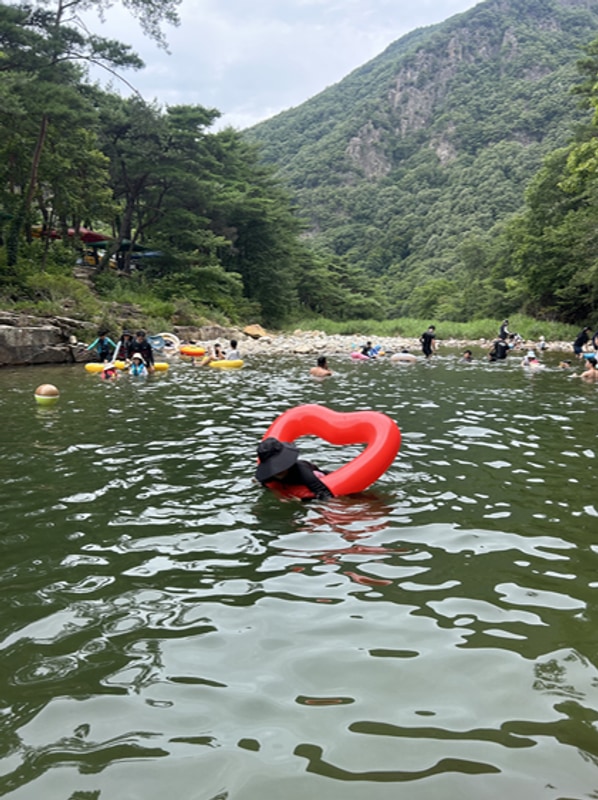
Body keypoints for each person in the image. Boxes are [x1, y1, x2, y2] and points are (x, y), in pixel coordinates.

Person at [255, 437, 332, 500]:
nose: (278, 470)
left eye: (280, 464)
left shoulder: (302, 471)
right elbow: (263, 484)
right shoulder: (267, 475)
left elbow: (323, 493)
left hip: (320, 477)